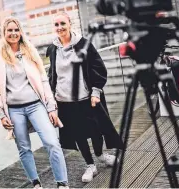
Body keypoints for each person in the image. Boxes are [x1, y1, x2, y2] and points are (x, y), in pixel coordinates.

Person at [46, 12, 124, 183]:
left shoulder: (84, 45)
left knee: (96, 130)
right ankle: (90, 165)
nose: (59, 28)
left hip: (86, 98)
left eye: (62, 23)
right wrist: (52, 99)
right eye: (56, 25)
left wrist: (96, 92)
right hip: (64, 101)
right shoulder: (52, 49)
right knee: (78, 134)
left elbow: (99, 68)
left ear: (70, 24)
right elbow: (52, 75)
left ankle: (101, 154)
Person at [0, 17, 69, 189]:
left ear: (20, 32)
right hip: (14, 110)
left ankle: (62, 183)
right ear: (4, 34)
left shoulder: (30, 52)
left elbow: (43, 80)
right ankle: (36, 183)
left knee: (52, 142)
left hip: (36, 105)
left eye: (16, 30)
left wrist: (51, 107)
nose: (13, 33)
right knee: (24, 148)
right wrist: (0, 113)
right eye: (9, 30)